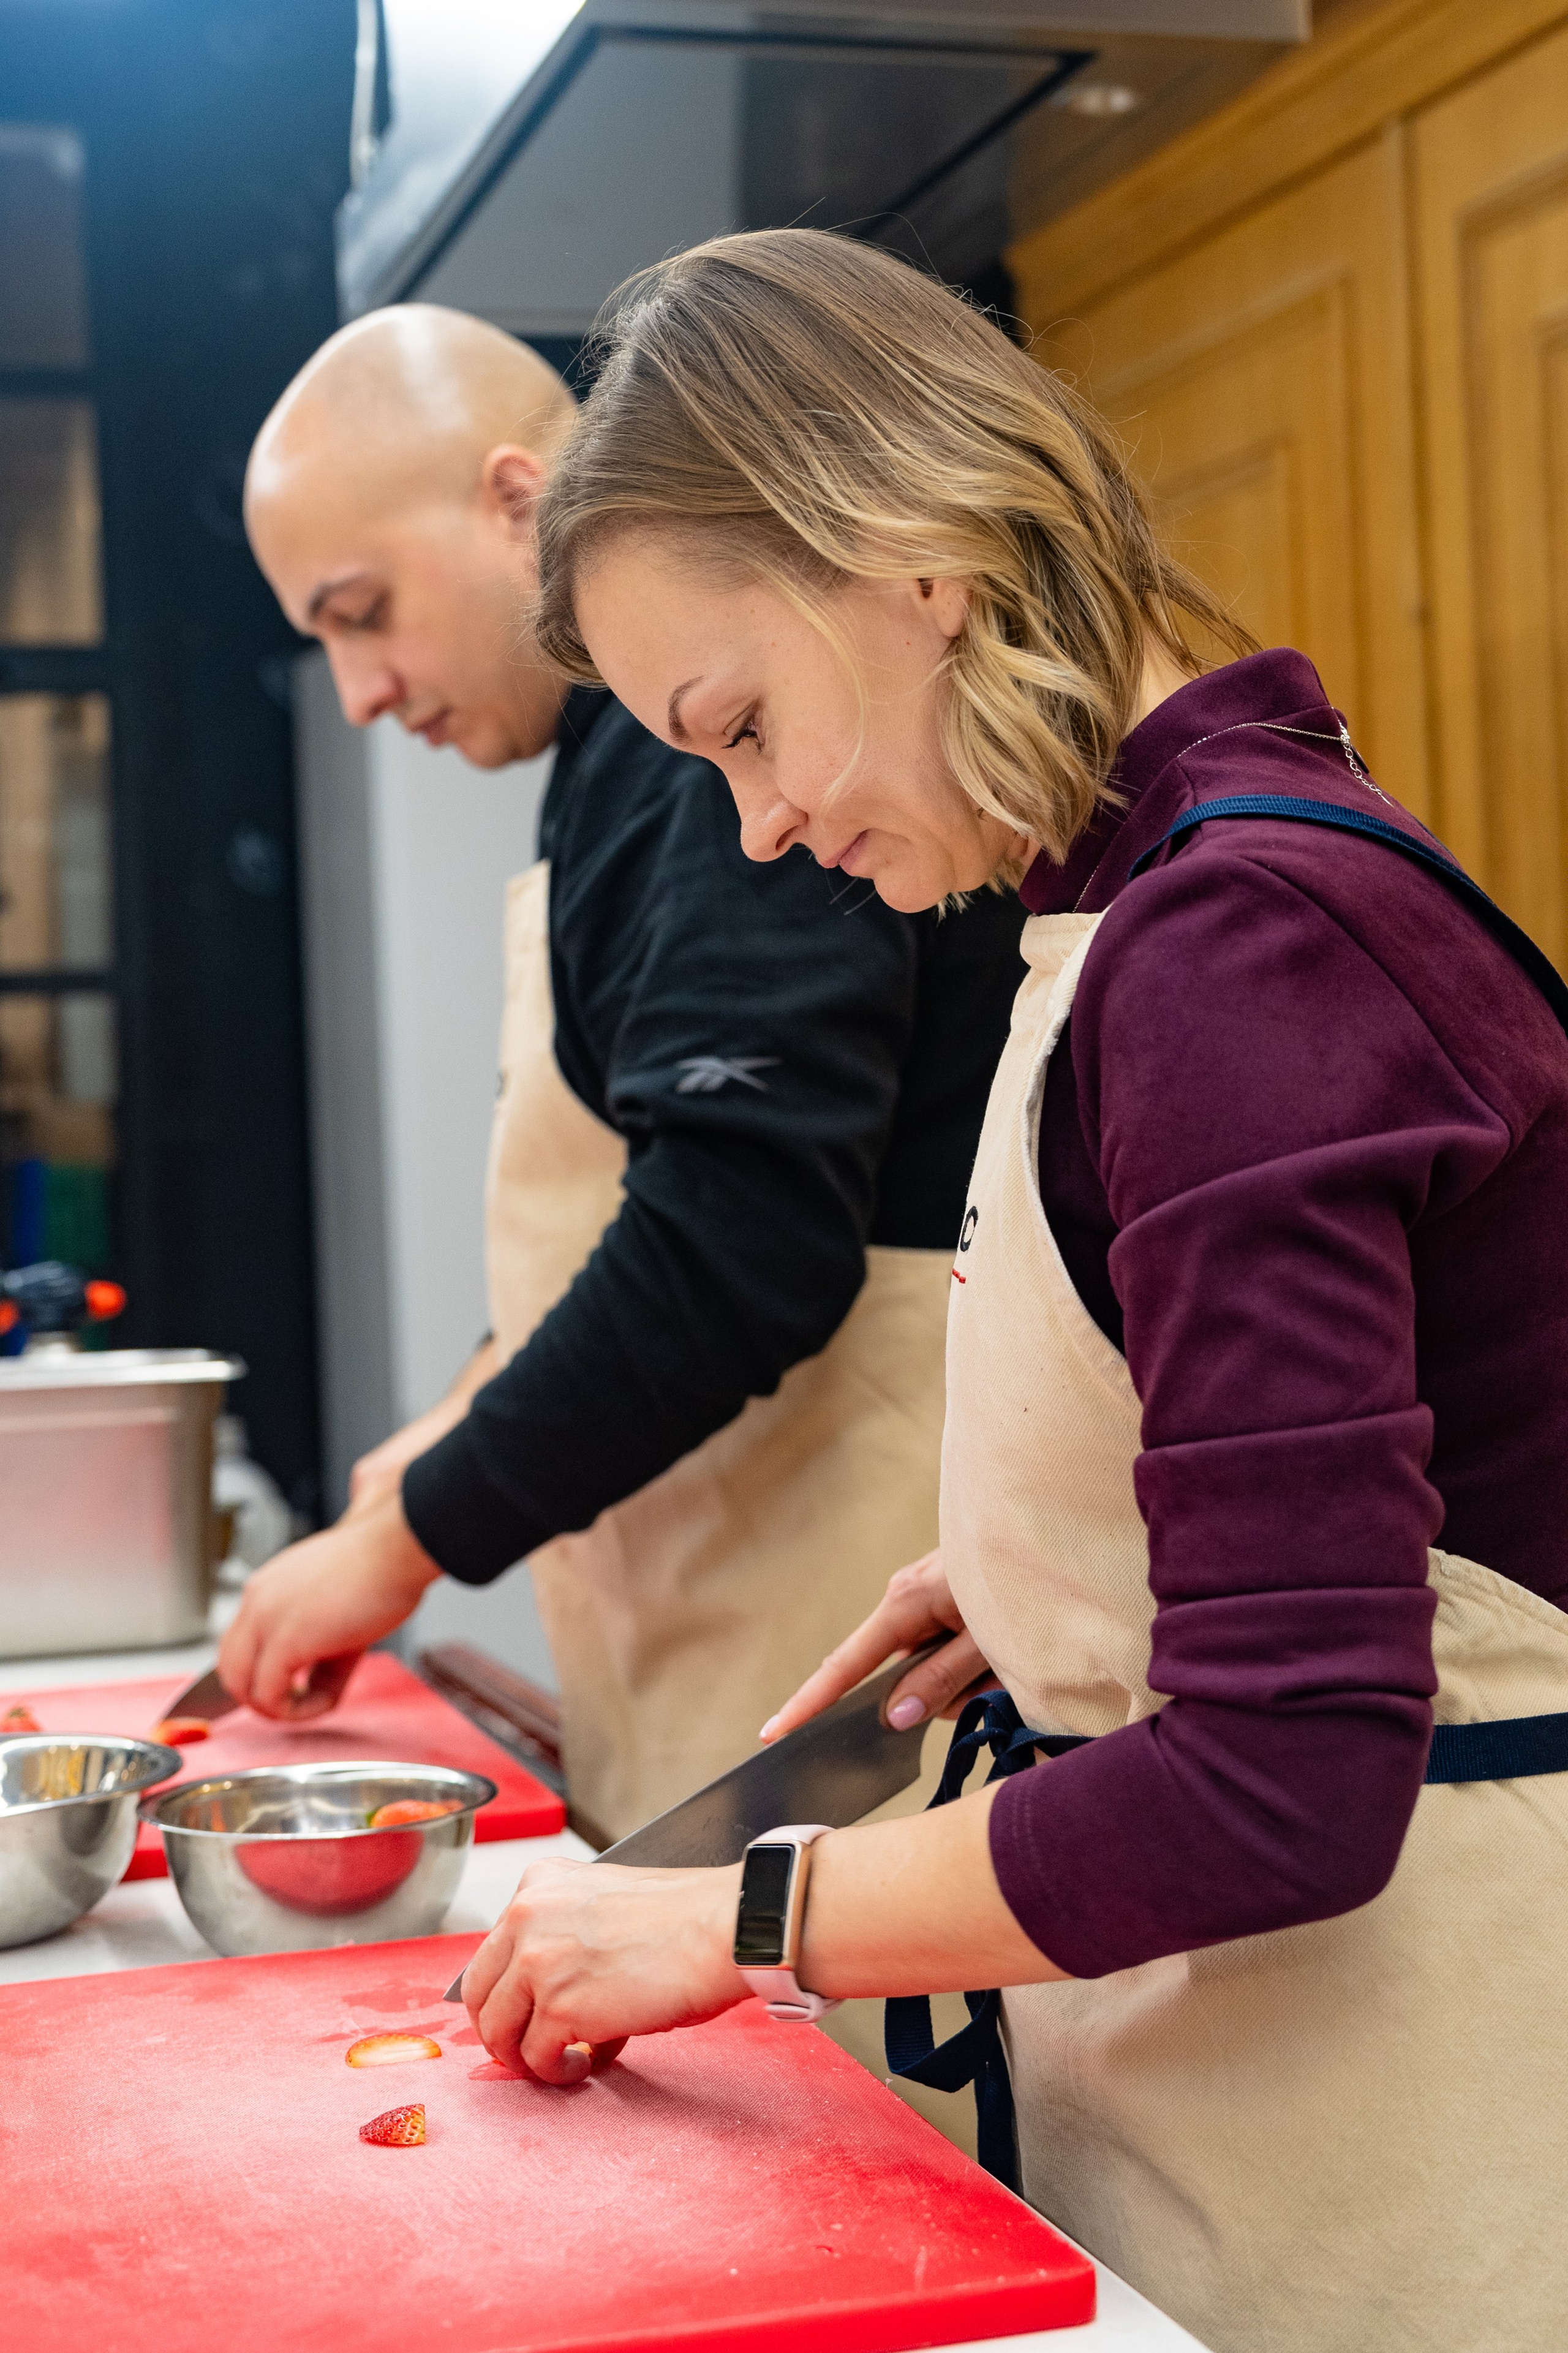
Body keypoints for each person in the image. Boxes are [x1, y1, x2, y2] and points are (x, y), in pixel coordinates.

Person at [449, 231, 1568, 2353]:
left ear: (912, 554)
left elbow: (1285, 1777)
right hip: (1252, 2109)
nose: (762, 826)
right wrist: (1064, 1563)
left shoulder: (1235, 949)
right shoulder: (1144, 902)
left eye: (746, 724)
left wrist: (743, 1920)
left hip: (1413, 2169)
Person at [229, 304, 1027, 1875]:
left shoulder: (680, 766)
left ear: (519, 503)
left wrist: (407, 1535)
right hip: (717, 1651)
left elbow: (740, 1230)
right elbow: (644, 1185)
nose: (359, 693)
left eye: (361, 610)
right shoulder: (614, 779)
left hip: (829, 1647)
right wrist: (458, 1414)